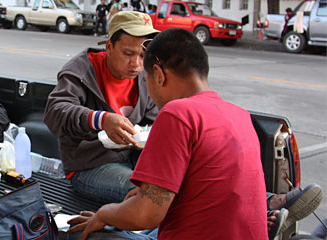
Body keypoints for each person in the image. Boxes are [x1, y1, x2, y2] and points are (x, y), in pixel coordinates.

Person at [67, 28, 268, 239]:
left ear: (160, 75)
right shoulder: (240, 115)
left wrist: (103, 214)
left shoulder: (177, 113)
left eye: (147, 80)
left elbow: (144, 215)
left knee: (83, 233)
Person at [44, 11, 159, 204]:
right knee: (149, 196)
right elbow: (55, 112)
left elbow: (154, 118)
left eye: (143, 55)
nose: (136, 64)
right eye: (128, 54)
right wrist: (101, 119)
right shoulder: (81, 70)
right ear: (109, 46)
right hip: (90, 165)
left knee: (174, 183)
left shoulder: (145, 75)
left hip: (130, 155)